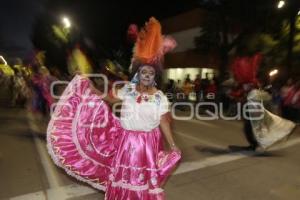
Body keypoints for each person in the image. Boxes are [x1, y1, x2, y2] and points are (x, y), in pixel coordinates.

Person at [47, 17, 181, 200]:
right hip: (126, 142)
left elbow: (164, 121)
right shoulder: (128, 89)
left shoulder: (160, 97)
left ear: (155, 75)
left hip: (147, 145)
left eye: (151, 73)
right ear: (138, 73)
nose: (147, 75)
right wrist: (93, 88)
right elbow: (110, 98)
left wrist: (172, 145)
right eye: (144, 72)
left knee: (144, 183)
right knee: (125, 181)